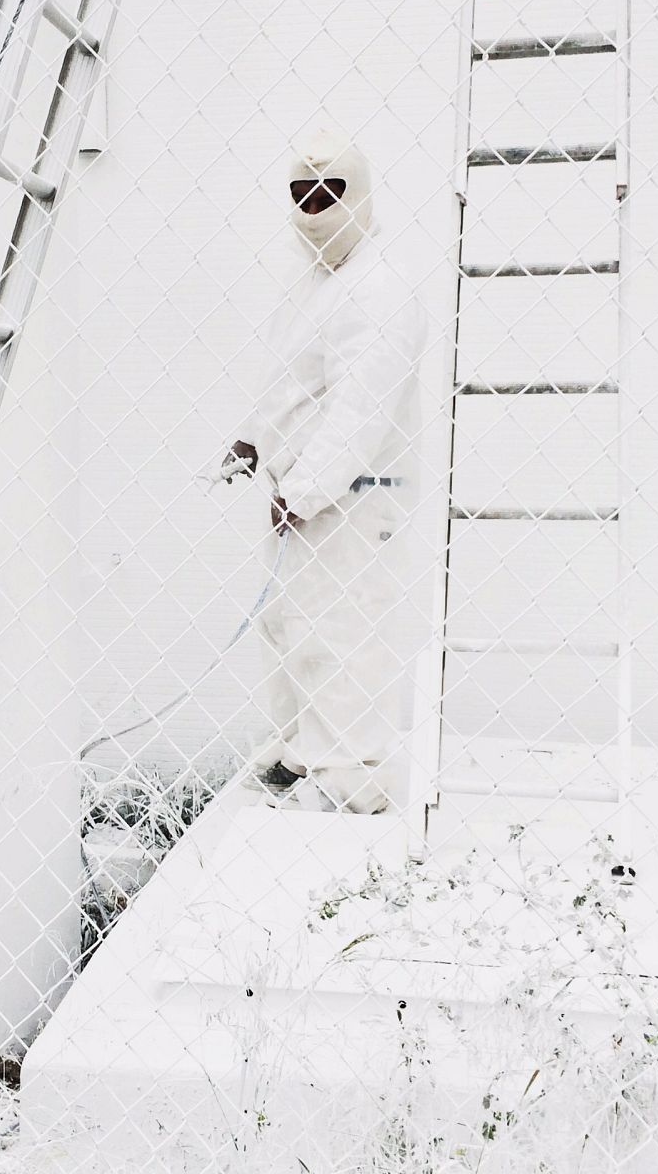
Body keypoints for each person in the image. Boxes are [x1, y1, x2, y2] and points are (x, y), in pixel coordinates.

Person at [224, 128, 425, 815]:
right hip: (299, 497)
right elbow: (290, 379)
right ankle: (300, 751)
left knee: (339, 629)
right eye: (301, 196)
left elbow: (359, 410)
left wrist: (307, 490)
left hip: (347, 497)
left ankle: (349, 777)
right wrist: (252, 441)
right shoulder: (316, 284)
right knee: (288, 626)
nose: (314, 210)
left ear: (360, 196)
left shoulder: (381, 291)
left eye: (328, 194)